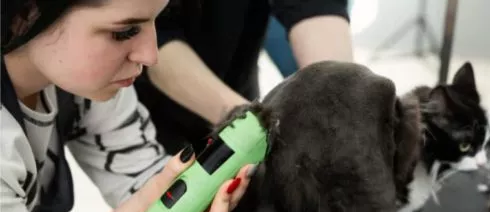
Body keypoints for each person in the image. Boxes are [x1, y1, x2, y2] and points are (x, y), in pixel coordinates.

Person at [0, 0, 255, 212]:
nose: (151, 55)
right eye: (125, 32)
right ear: (25, 14)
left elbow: (138, 173)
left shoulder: (78, 78)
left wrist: (183, 200)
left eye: (154, 22)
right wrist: (148, 203)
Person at [134, 0, 354, 155]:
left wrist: (338, 101)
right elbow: (153, 39)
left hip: (237, 75)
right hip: (150, 121)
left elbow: (313, 6)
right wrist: (256, 122)